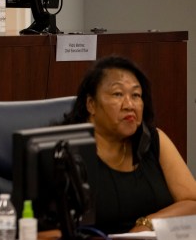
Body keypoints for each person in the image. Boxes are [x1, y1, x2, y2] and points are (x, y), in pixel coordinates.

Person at [63, 56, 196, 234]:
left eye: (136, 95)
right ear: (91, 104)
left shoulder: (154, 140)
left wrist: (147, 224)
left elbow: (192, 202)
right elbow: (46, 231)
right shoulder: (65, 151)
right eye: (117, 94)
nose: (129, 105)